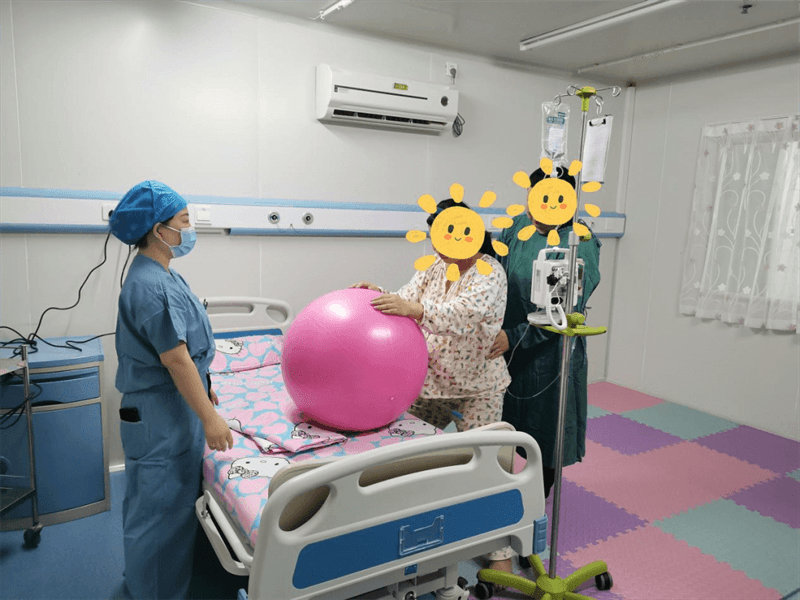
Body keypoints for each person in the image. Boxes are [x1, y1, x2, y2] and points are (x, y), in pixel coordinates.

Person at [352, 198, 514, 572]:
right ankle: (411, 535)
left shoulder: (490, 272)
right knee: (406, 461)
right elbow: (407, 298)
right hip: (430, 383)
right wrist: (376, 293)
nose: (440, 245)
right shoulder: (434, 269)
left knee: (486, 468)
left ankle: (499, 555)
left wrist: (417, 311)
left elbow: (466, 313)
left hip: (477, 387)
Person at [110, 180, 233, 600]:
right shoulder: (152, 286)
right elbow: (176, 358)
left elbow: (185, 350)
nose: (189, 229)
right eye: (183, 221)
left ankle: (155, 579)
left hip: (168, 406)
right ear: (157, 229)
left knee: (166, 504)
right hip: (159, 414)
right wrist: (210, 418)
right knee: (159, 510)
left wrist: (204, 387)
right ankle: (154, 591)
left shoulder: (160, 274)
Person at [488, 165, 601, 501]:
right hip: (507, 346)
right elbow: (491, 268)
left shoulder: (579, 240)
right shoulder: (516, 227)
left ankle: (536, 500)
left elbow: (565, 308)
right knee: (505, 423)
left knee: (547, 431)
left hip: (551, 353)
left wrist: (515, 336)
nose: (532, 210)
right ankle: (501, 490)